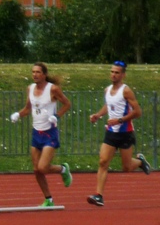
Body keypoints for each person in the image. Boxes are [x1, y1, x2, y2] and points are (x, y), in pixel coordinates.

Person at [9, 62, 73, 207]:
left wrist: (56, 116)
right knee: (36, 169)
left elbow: (67, 104)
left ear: (44, 74)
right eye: (33, 72)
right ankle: (48, 199)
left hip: (49, 133)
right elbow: (28, 108)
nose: (35, 75)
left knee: (43, 167)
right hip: (36, 132)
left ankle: (63, 169)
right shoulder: (30, 89)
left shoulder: (53, 89)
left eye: (38, 72)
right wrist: (18, 114)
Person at [87, 60, 150, 206]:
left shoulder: (126, 91)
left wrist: (120, 120)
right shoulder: (107, 90)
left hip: (125, 132)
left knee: (126, 167)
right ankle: (99, 195)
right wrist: (98, 115)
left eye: (117, 72)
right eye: (112, 72)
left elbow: (138, 112)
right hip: (111, 132)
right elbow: (109, 106)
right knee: (103, 162)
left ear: (123, 75)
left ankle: (140, 161)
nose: (113, 75)